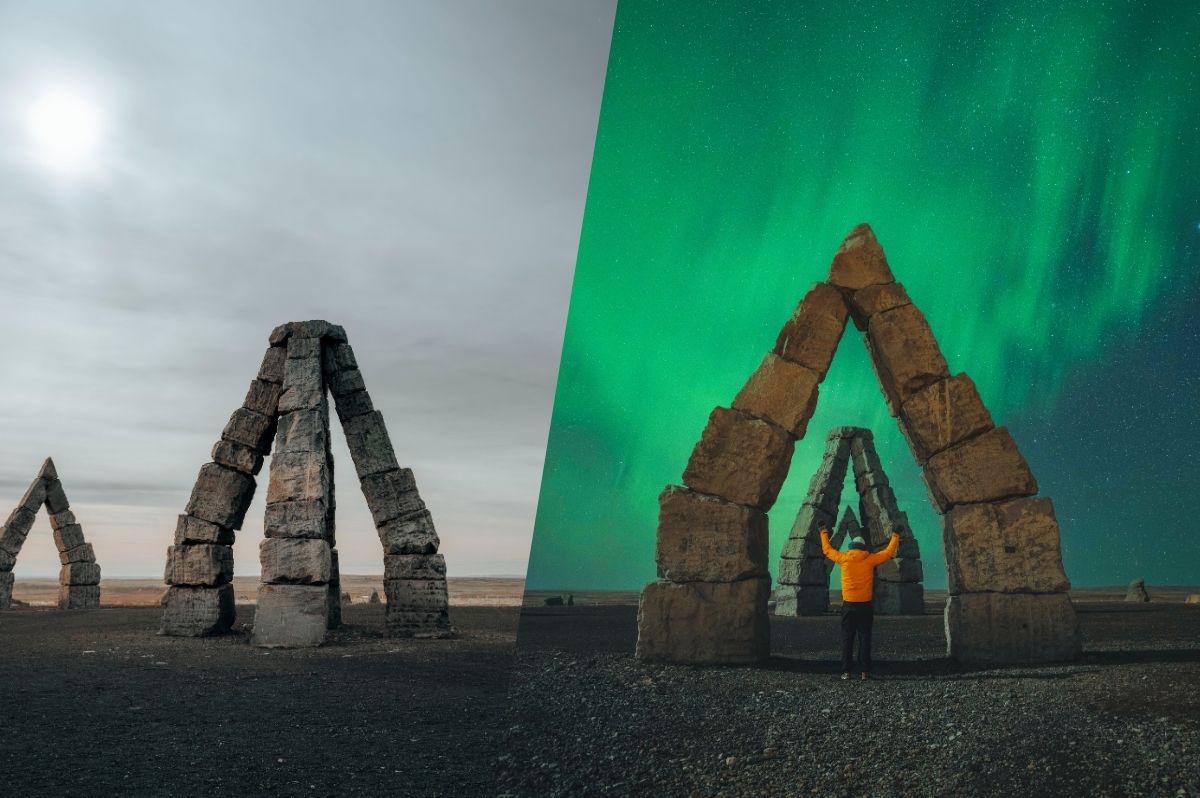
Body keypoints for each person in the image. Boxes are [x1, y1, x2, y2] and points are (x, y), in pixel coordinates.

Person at [820, 526, 900, 680]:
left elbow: (827, 550)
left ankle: (846, 672)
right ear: (863, 548)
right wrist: (895, 535)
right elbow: (888, 553)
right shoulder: (870, 559)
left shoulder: (843, 558)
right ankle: (865, 672)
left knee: (847, 639)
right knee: (865, 638)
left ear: (851, 547)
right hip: (865, 606)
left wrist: (823, 531)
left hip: (848, 605)